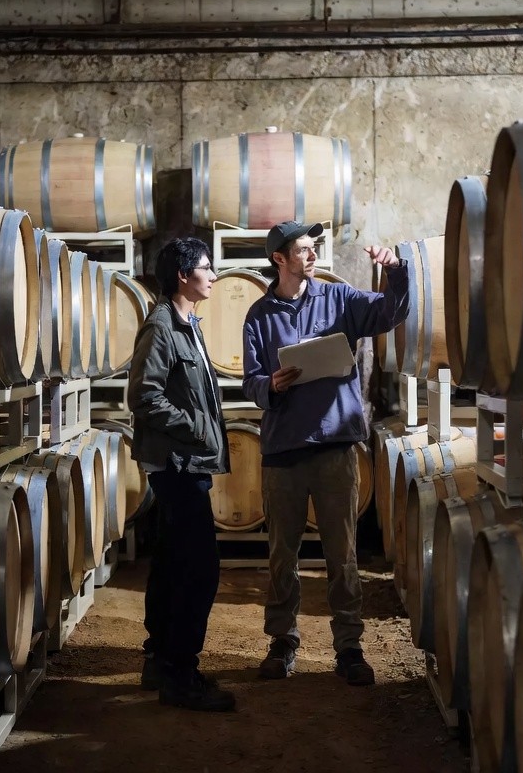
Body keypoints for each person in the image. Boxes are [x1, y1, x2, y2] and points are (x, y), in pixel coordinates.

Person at [241, 220, 409, 686]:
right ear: (280, 258)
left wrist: (396, 272)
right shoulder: (258, 316)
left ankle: (349, 648)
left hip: (335, 447)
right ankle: (282, 643)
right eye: (303, 249)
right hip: (284, 451)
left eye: (314, 247)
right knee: (282, 558)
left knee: (343, 554)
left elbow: (391, 312)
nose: (312, 254)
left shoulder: (339, 298)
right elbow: (249, 380)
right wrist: (269, 385)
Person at [128, 236, 236, 712]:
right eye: (206, 269)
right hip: (177, 462)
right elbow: (144, 396)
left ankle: (159, 659)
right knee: (200, 567)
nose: (213, 276)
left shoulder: (187, 324)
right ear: (183, 276)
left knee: (173, 560)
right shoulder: (162, 327)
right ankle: (180, 674)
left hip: (187, 460)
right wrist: (194, 428)